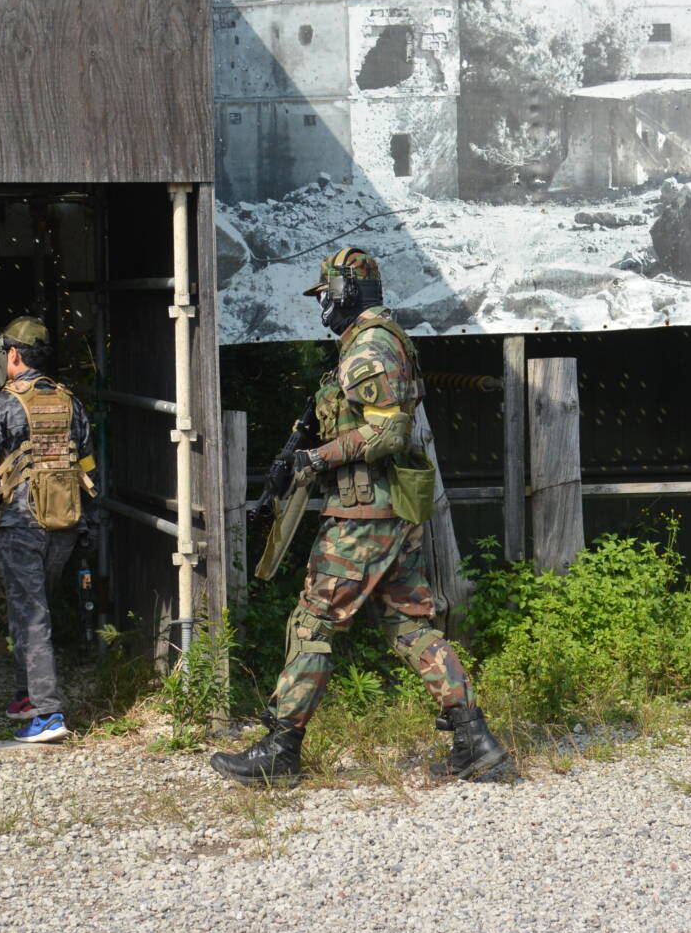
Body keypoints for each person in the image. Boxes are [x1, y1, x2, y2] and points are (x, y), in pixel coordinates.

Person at [209, 248, 509, 786]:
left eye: (325, 294)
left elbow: (388, 431)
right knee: (408, 625)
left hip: (364, 513)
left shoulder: (370, 346)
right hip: (386, 510)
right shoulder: (374, 342)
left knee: (313, 622)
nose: (322, 306)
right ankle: (475, 741)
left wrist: (315, 458)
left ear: (346, 291)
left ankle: (281, 749)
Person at [0, 316, 98, 744]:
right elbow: (88, 469)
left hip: (23, 525)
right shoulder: (71, 403)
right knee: (32, 608)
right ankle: (27, 697)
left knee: (30, 614)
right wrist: (90, 524)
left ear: (12, 354)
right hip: (65, 524)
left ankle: (47, 714)